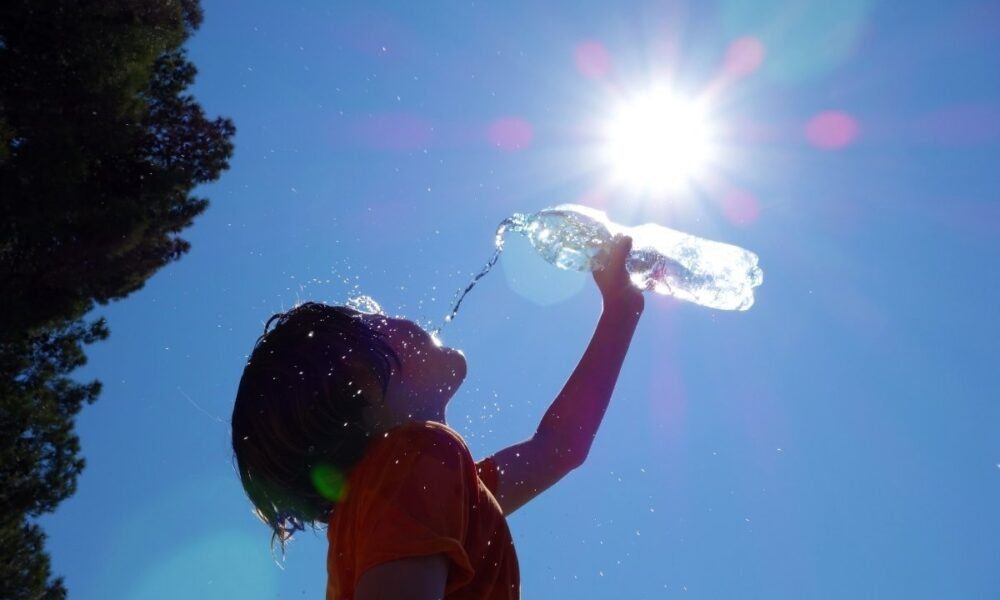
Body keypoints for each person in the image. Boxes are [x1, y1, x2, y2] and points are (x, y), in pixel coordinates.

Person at [231, 235, 644, 599]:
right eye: (375, 322)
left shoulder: (418, 489)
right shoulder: (412, 463)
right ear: (362, 382)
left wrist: (621, 311)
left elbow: (559, 447)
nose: (396, 317)